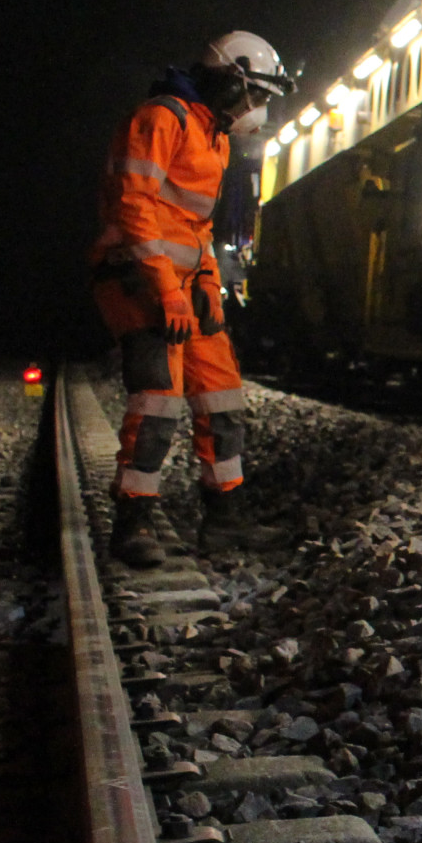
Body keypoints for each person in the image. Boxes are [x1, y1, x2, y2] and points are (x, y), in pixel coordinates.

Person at [90, 32, 291, 567]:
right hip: (135, 276)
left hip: (178, 283)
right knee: (159, 399)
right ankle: (132, 524)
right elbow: (134, 206)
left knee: (222, 394)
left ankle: (225, 520)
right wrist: (165, 289)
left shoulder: (213, 137)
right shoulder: (163, 119)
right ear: (230, 79)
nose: (257, 108)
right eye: (256, 94)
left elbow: (195, 225)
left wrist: (204, 282)